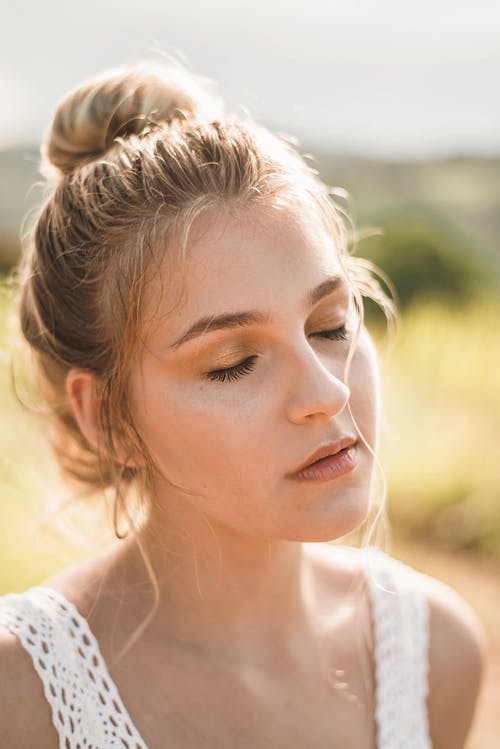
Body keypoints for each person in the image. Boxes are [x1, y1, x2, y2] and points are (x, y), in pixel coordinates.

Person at [0, 61, 487, 749]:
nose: (328, 393)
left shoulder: (436, 653)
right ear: (108, 417)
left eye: (330, 325)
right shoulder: (19, 700)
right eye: (233, 364)